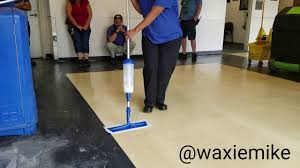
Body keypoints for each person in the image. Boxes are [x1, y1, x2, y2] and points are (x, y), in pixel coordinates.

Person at [127, 0, 182, 113]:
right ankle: (150, 102)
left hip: (171, 37)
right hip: (150, 36)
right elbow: (144, 10)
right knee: (150, 68)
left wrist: (134, 30)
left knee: (165, 70)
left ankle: (159, 100)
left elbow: (154, 12)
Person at [65, 0, 92, 67]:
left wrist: (86, 25)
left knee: (85, 41)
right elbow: (69, 15)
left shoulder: (86, 1)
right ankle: (80, 59)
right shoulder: (69, 2)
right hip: (73, 26)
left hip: (85, 25)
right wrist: (77, 25)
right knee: (77, 41)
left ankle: (86, 59)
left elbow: (90, 14)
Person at [15, 0, 36, 66]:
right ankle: (16, 60)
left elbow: (29, 7)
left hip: (24, 23)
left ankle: (27, 59)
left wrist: (14, 6)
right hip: (11, 23)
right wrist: (21, 5)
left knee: (26, 42)